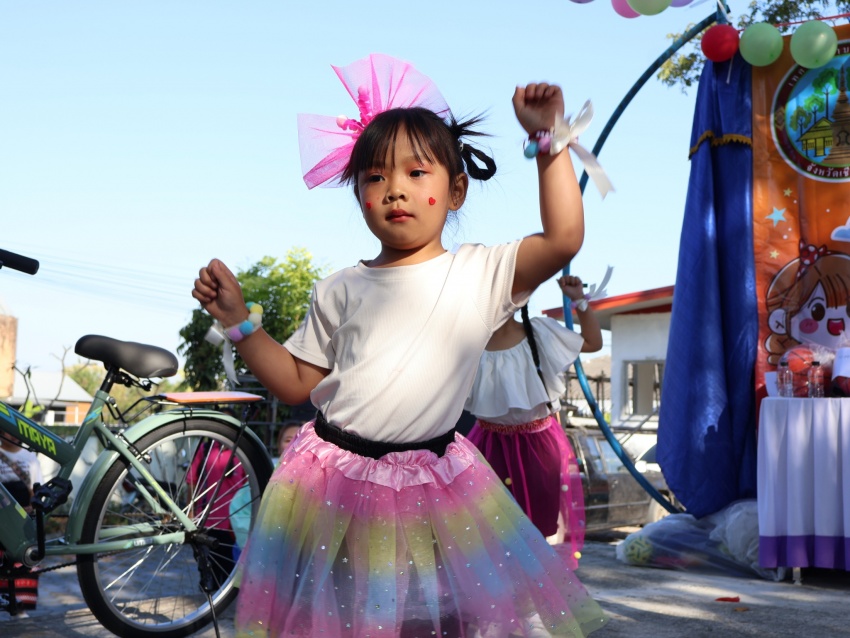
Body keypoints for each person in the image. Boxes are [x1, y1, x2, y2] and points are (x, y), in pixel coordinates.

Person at [193, 53, 607, 637]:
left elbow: (564, 238)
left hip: (434, 483)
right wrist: (240, 323)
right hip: (331, 479)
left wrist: (547, 140)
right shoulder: (339, 288)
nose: (395, 191)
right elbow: (294, 383)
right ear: (358, 194)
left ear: (456, 190)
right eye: (375, 178)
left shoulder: (479, 274)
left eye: (416, 173)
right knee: (338, 617)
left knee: (432, 617)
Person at [465, 275, 603, 569]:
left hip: (537, 446)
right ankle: (497, 593)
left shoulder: (540, 333)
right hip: (487, 445)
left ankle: (532, 591)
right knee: (486, 532)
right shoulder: (468, 344)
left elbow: (593, 342)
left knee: (534, 530)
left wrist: (579, 299)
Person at [0, 435, 43, 617]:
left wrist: (29, 508)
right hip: (2, 517)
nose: (10, 435)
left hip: (23, 517)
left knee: (24, 561)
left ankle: (21, 608)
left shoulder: (29, 458)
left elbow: (36, 490)